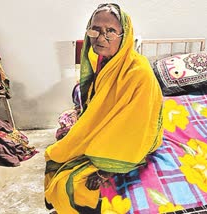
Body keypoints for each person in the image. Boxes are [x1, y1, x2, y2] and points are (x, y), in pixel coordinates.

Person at [44, 3, 163, 213]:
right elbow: (98, 105)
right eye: (96, 29)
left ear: (124, 36)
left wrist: (105, 168)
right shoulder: (102, 61)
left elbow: (135, 124)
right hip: (111, 128)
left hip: (132, 137)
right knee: (57, 161)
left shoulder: (139, 72)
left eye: (110, 32)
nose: (100, 38)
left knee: (71, 183)